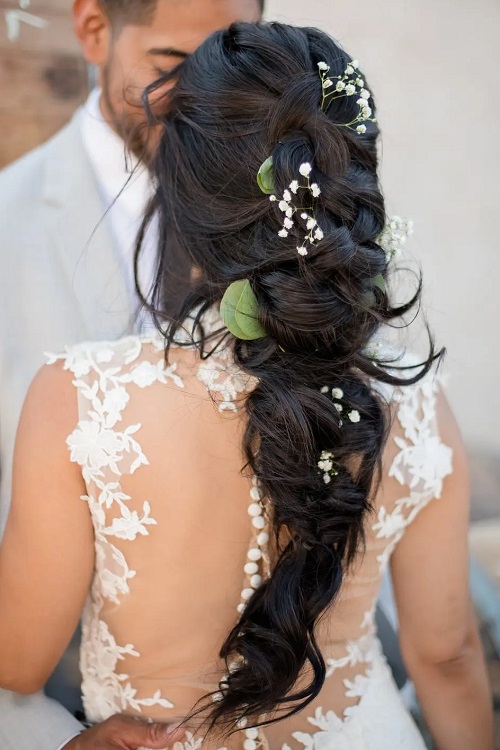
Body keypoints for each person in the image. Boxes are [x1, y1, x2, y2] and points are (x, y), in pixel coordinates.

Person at [0, 21, 493, 750]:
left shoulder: (79, 399)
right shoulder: (417, 404)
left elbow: (17, 663)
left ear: (184, 193)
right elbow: (446, 655)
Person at [0, 1, 263, 748]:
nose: (210, 103)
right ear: (92, 31)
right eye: (175, 67)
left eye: (234, 64)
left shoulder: (307, 221)